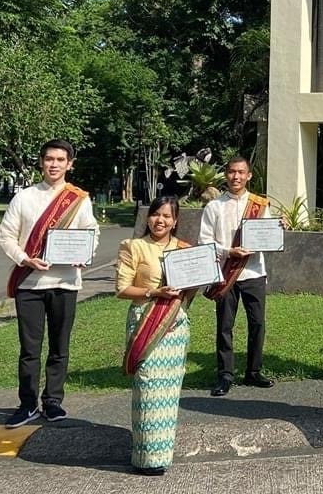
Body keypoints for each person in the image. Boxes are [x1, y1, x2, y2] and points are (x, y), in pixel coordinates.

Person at [0, 139, 99, 428]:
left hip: (65, 282)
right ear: (41, 162)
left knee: (59, 346)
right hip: (29, 283)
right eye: (49, 159)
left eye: (60, 159)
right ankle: (27, 404)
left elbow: (91, 235)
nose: (54, 164)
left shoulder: (79, 199)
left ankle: (52, 401)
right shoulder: (24, 198)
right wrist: (25, 259)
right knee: (29, 349)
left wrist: (84, 256)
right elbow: (5, 236)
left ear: (70, 164)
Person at [116, 196, 194, 476]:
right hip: (145, 321)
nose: (160, 220)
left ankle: (163, 454)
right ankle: (144, 457)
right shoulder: (133, 247)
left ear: (175, 221)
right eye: (156, 214)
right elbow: (122, 288)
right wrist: (154, 292)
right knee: (147, 387)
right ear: (148, 217)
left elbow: (192, 288)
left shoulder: (185, 249)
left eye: (167, 216)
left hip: (175, 326)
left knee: (169, 392)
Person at [201, 156, 275, 394]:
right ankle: (225, 374)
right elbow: (204, 241)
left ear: (249, 175)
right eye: (232, 172)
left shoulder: (260, 206)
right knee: (224, 325)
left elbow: (268, 237)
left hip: (254, 272)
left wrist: (276, 230)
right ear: (226, 174)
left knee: (258, 324)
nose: (236, 177)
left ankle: (253, 372)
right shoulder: (214, 206)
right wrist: (228, 251)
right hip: (225, 273)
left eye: (241, 172)